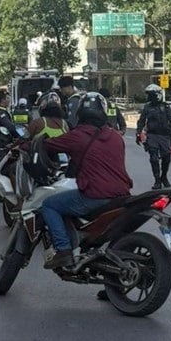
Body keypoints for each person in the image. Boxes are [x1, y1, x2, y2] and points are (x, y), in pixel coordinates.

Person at [40, 92, 133, 269]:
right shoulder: (115, 137)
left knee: (50, 205)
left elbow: (48, 145)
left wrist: (25, 144)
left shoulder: (78, 135)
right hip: (122, 194)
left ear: (80, 112)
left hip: (95, 195)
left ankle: (63, 250)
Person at [136, 83, 171, 189]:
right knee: (153, 158)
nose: (149, 97)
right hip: (152, 135)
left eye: (151, 95)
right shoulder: (147, 107)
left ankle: (164, 176)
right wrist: (138, 133)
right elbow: (141, 121)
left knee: (166, 158)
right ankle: (157, 180)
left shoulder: (166, 106)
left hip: (164, 135)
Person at [0, 89, 19, 202]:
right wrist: (18, 134)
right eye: (7, 98)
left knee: (1, 167)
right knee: (0, 167)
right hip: (3, 143)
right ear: (3, 100)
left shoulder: (0, 111)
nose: (9, 101)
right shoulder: (0, 112)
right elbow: (9, 126)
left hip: (3, 142)